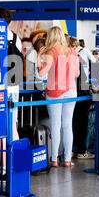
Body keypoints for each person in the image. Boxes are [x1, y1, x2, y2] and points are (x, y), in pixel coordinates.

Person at [37, 26, 80, 167]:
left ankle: (54, 159)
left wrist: (38, 57)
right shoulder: (73, 52)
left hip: (54, 92)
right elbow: (77, 74)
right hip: (71, 92)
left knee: (56, 126)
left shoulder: (51, 52)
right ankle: (67, 159)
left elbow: (41, 73)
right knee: (68, 126)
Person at [0, 7, 23, 178]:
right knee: (13, 125)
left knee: (0, 129)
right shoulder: (15, 38)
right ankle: (15, 163)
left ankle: (4, 167)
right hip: (13, 86)